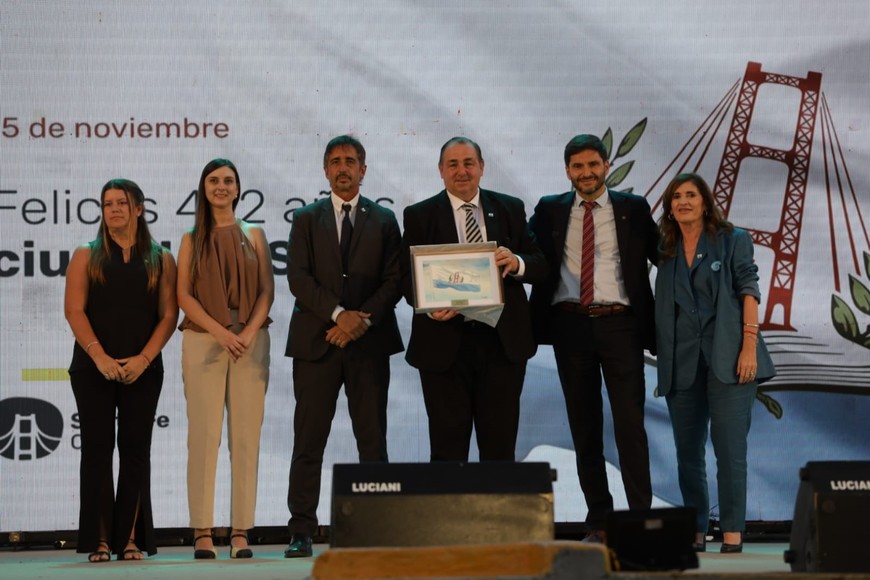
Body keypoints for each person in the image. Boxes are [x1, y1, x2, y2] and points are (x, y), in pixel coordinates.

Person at [529, 134, 658, 543]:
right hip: (570, 327)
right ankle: (599, 522)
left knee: (630, 427)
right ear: (567, 171)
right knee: (585, 428)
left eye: (593, 165)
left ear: (606, 166)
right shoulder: (549, 210)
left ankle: (641, 521)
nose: (586, 173)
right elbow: (524, 255)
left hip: (621, 326)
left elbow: (667, 257)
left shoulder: (633, 210)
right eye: (577, 167)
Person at [284, 135, 404, 558]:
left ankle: (377, 527)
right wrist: (339, 316)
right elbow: (298, 278)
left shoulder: (386, 219)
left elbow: (395, 280)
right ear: (325, 170)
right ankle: (301, 529)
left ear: (363, 169)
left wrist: (360, 321)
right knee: (308, 440)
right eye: (334, 161)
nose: (343, 167)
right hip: (317, 344)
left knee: (372, 440)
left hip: (368, 346)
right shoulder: (305, 218)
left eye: (350, 161)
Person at [402, 136, 547, 462]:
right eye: (452, 164)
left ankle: (495, 514)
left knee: (499, 447)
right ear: (441, 170)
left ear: (481, 167)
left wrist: (516, 262)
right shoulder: (419, 215)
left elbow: (540, 264)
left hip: (501, 344)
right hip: (443, 347)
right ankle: (448, 513)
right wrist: (427, 305)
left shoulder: (510, 207)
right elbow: (406, 277)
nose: (461, 171)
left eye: (469, 163)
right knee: (447, 447)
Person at [654, 172, 775, 553]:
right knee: (687, 453)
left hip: (731, 358)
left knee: (729, 451)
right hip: (682, 362)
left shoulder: (733, 240)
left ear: (705, 201)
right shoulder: (665, 249)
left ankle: (733, 535)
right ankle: (694, 530)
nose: (683, 201)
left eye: (691, 194)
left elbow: (749, 290)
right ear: (670, 208)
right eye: (676, 197)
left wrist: (749, 347)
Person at [64, 178, 178, 562]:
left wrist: (144, 359)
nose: (113, 209)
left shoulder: (161, 257)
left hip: (143, 369)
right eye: (107, 203)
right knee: (96, 449)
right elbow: (74, 310)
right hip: (92, 367)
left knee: (135, 451)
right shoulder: (86, 254)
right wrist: (100, 357)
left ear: (139, 209)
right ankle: (99, 539)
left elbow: (168, 315)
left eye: (121, 203)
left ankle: (128, 538)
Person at [176, 159, 274, 559]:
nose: (221, 186)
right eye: (213, 180)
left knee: (246, 439)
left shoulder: (255, 234)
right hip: (204, 341)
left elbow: (267, 290)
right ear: (203, 187)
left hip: (251, 341)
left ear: (238, 189)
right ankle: (201, 530)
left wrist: (247, 332)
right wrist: (221, 332)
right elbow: (183, 295)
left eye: (228, 181)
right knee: (203, 437)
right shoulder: (189, 238)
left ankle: (240, 532)